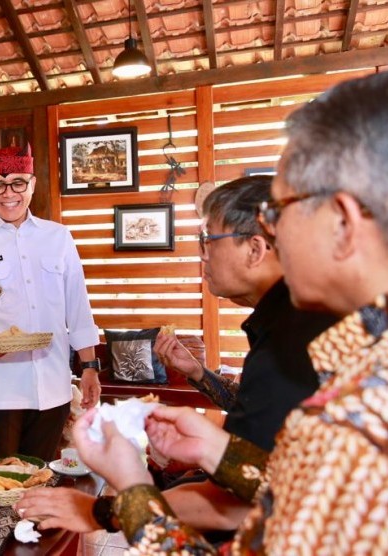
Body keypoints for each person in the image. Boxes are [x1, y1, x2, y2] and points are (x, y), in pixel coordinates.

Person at [70, 71, 388, 553]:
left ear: (342, 222)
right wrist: (218, 449)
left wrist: (131, 488)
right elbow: (293, 493)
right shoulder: (354, 354)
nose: (275, 234)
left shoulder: (358, 411)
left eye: (280, 212)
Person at [16, 176, 337, 536]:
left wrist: (101, 510)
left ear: (256, 249)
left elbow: (231, 506)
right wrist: (197, 373)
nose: (202, 254)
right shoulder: (299, 321)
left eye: (209, 239)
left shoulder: (291, 342)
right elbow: (269, 464)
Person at [0, 144, 100, 461]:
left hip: (53, 384)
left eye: (18, 183)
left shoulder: (59, 237)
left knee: (41, 474)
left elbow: (78, 306)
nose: (9, 193)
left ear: (32, 184)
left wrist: (90, 366)